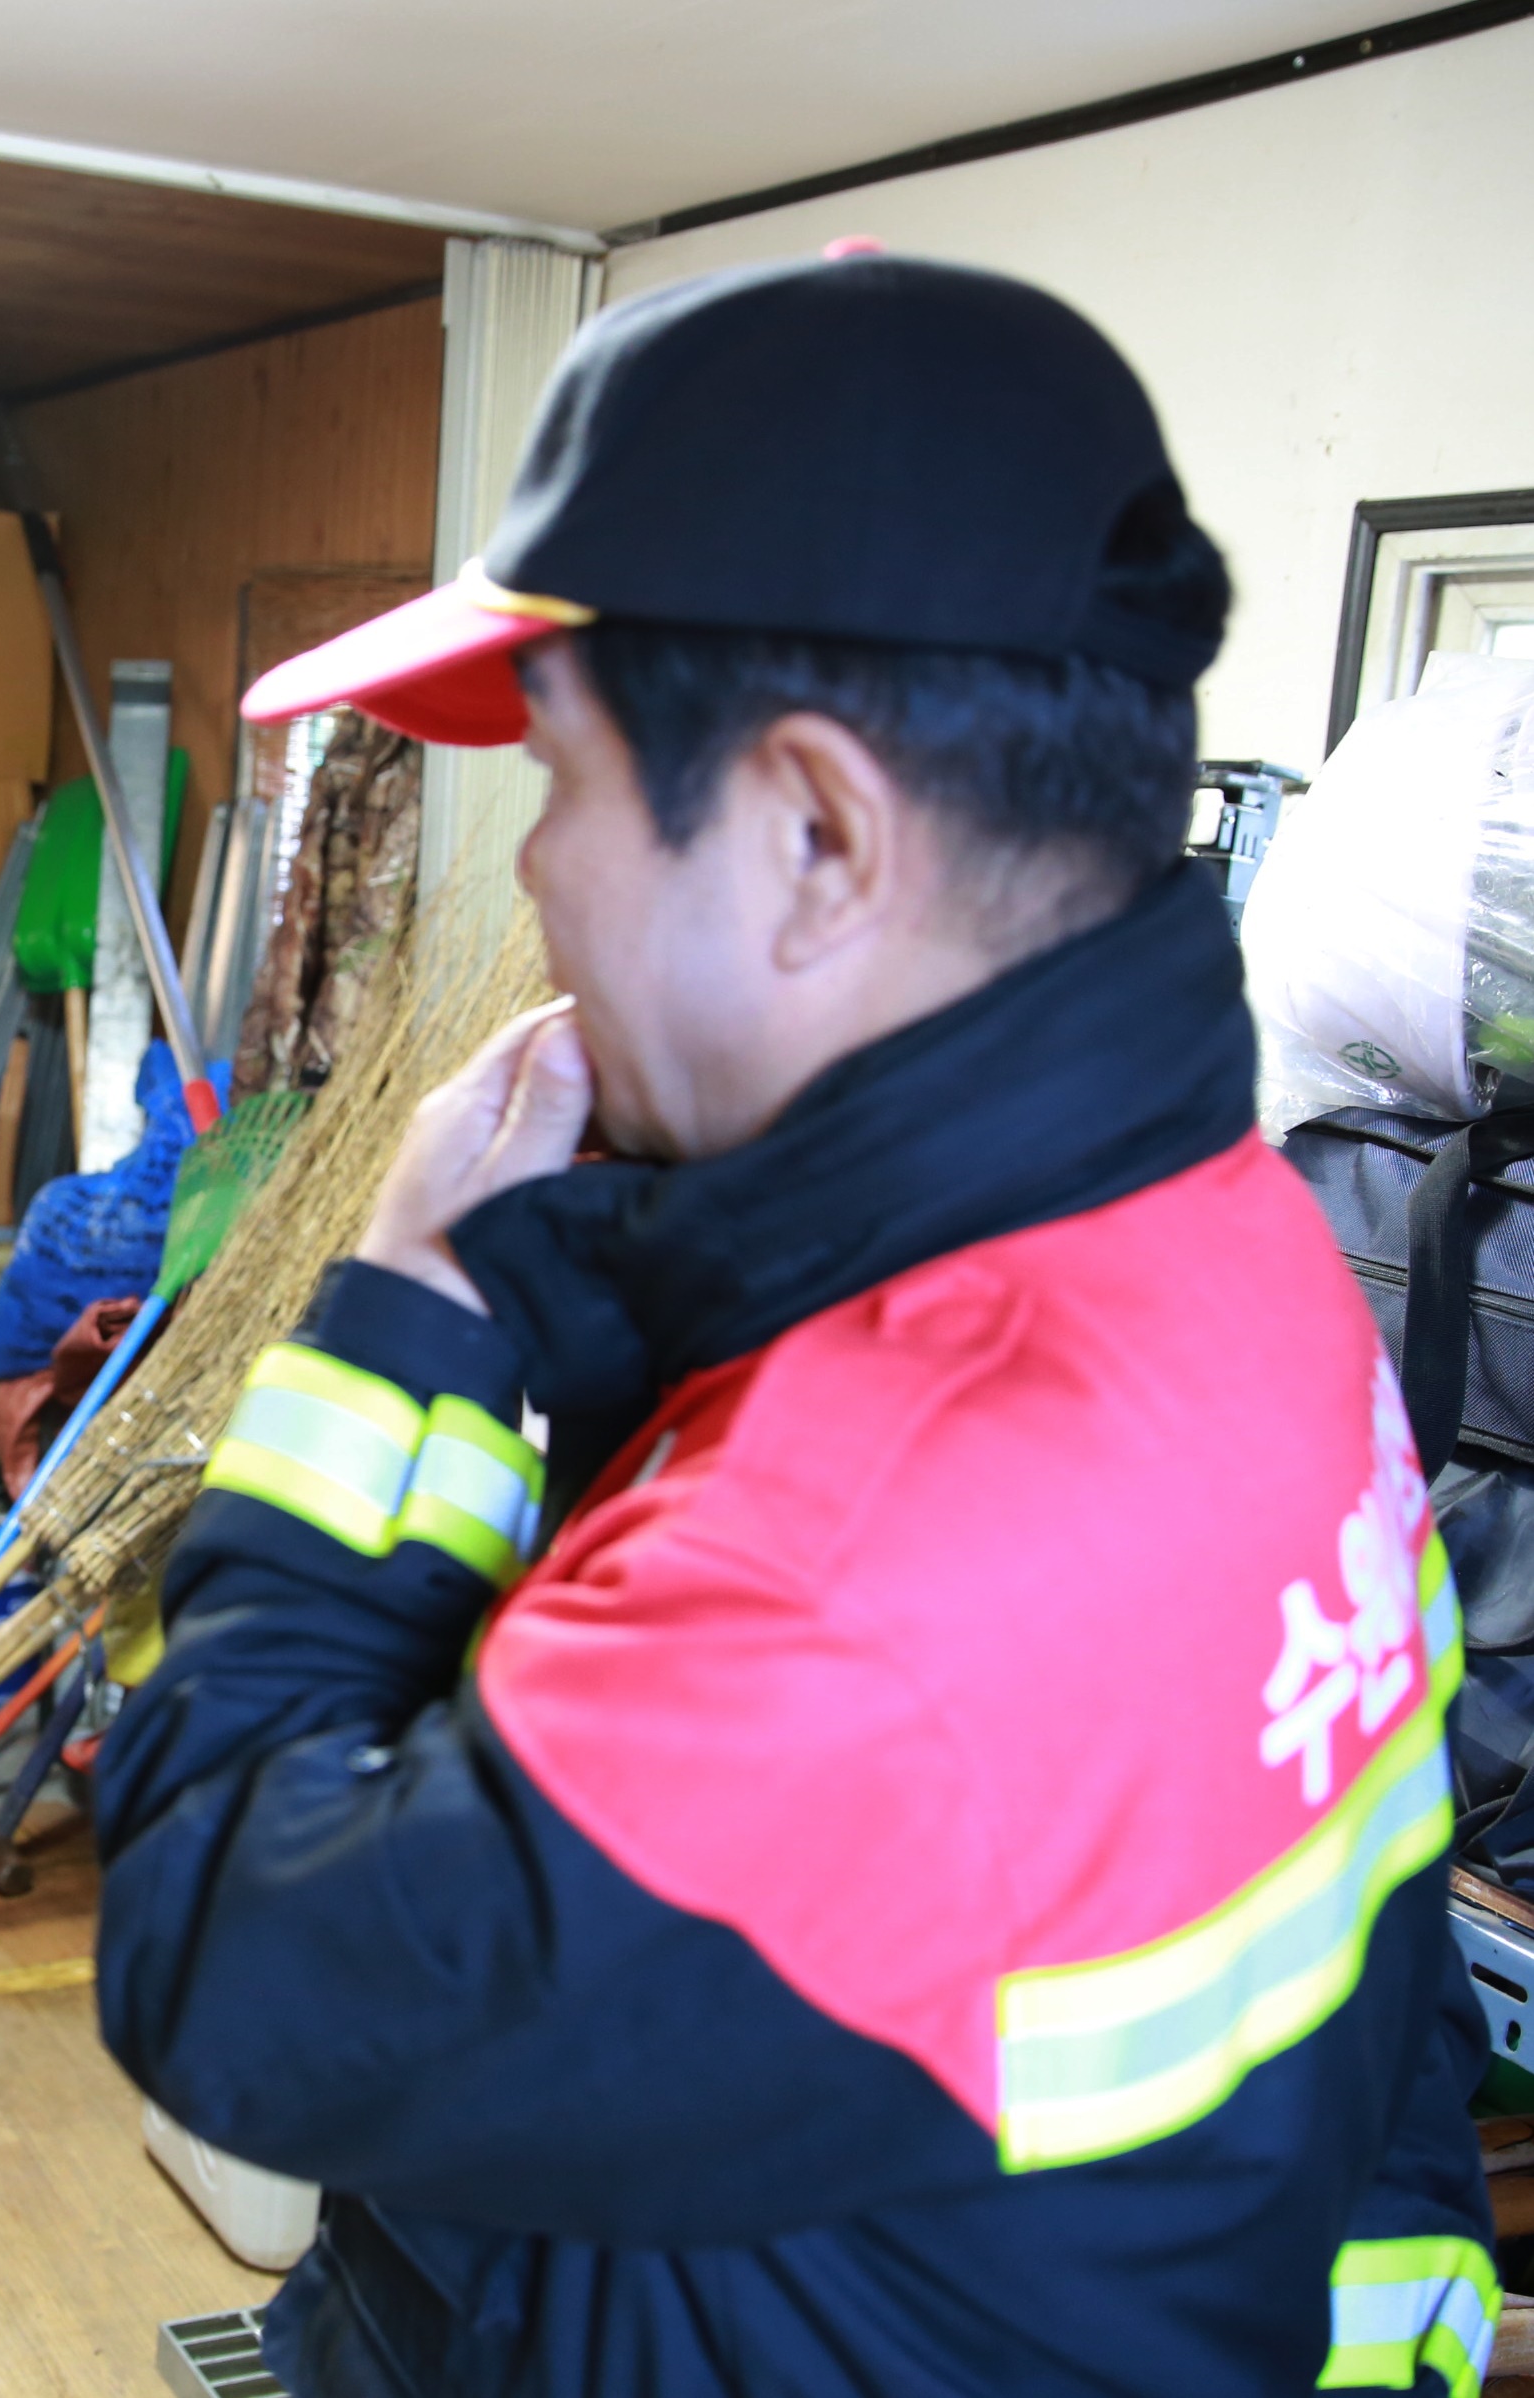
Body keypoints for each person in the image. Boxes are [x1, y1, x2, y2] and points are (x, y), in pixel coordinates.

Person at [93, 255, 1494, 2395]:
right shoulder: (1248, 1252)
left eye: (556, 779)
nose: (539, 872)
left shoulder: (848, 1566)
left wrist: (404, 1311)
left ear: (818, 835)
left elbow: (227, 1963)